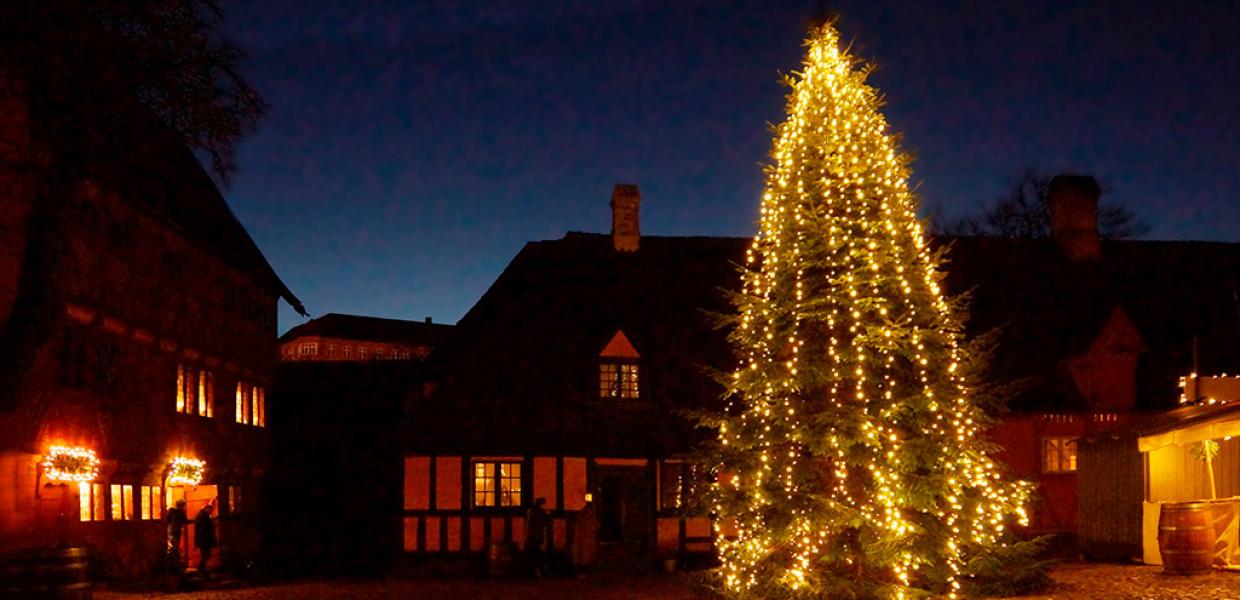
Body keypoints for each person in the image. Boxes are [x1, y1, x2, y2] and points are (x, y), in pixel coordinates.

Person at [524, 497, 550, 576]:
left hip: (534, 534)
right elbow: (531, 523)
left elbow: (528, 523)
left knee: (533, 551)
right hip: (535, 534)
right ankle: (535, 570)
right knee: (534, 552)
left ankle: (533, 570)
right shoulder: (536, 512)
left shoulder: (534, 512)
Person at [164, 499, 188, 573]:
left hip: (174, 531)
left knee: (175, 548)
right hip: (172, 531)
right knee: (175, 548)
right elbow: (167, 521)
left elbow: (185, 521)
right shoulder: (173, 511)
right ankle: (175, 566)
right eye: (183, 505)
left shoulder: (178, 512)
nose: (184, 507)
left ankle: (176, 565)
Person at [193, 502, 217, 575]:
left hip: (203, 539)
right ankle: (201, 568)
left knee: (206, 554)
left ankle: (201, 568)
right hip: (204, 539)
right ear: (207, 509)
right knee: (206, 554)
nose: (211, 512)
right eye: (210, 510)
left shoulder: (202, 515)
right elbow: (204, 528)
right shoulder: (202, 516)